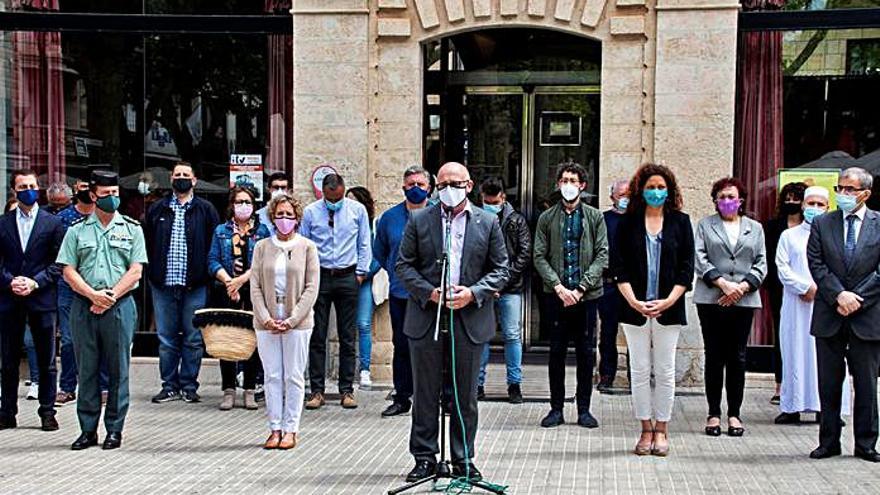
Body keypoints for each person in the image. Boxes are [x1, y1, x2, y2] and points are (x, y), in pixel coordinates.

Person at [396, 162, 509, 483]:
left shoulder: (487, 222)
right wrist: (430, 293)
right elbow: (404, 265)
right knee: (425, 392)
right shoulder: (420, 220)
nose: (449, 189)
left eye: (455, 183)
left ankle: (463, 458)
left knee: (465, 395)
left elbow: (501, 269)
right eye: (442, 183)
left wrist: (473, 293)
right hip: (427, 317)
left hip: (469, 317)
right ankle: (424, 457)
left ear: (469, 185)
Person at [56, 170, 148, 450]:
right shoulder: (77, 230)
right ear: (93, 195)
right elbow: (68, 270)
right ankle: (87, 430)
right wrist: (92, 295)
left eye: (115, 194)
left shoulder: (132, 229)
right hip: (84, 306)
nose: (112, 199)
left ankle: (114, 430)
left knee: (119, 370)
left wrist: (109, 297)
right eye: (106, 194)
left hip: (120, 307)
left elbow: (136, 271)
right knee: (87, 370)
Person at [611, 164, 694, 456]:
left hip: (668, 308)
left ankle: (662, 428)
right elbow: (618, 267)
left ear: (669, 190)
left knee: (665, 369)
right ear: (640, 190)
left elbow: (687, 269)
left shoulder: (681, 222)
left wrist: (669, 300)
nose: (656, 192)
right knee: (640, 368)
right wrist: (633, 300)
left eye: (661, 187)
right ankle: (645, 428)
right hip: (634, 307)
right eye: (650, 187)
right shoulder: (628, 222)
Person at [807, 167, 880, 462]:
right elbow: (816, 263)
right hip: (830, 313)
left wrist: (857, 299)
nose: (843, 194)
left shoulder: (879, 224)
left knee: (866, 383)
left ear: (865, 193)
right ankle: (828, 441)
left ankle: (865, 443)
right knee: (828, 382)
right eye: (840, 188)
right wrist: (838, 294)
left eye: (849, 189)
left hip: (867, 315)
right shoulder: (823, 223)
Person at [534, 162, 608, 429]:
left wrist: (580, 289)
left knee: (586, 353)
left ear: (582, 185)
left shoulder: (594, 217)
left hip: (585, 297)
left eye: (572, 180)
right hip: (556, 296)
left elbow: (602, 255)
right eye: (564, 180)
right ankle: (556, 409)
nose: (568, 184)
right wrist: (558, 287)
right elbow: (539, 256)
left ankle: (584, 409)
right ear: (558, 184)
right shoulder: (546, 218)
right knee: (556, 352)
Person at [694, 177, 767, 438]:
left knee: (737, 356)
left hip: (744, 299)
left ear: (741, 200)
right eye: (722, 197)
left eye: (731, 197)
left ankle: (734, 413)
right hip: (711, 297)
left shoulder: (754, 228)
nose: (727, 201)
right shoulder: (705, 225)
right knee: (714, 355)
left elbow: (761, 263)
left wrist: (741, 288)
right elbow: (699, 257)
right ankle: (713, 412)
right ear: (715, 200)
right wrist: (723, 284)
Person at [145, 161, 220, 403]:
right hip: (163, 284)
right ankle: (169, 385)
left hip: (195, 285)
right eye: (177, 175)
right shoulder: (157, 209)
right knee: (166, 339)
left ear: (194, 180)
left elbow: (213, 246)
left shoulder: (206, 210)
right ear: (171, 179)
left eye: (185, 175)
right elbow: (147, 244)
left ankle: (189, 385)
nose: (181, 178)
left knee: (193, 338)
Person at [775, 186, 851, 425]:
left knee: (826, 356)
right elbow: (782, 267)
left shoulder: (836, 236)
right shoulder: (789, 236)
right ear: (803, 205)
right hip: (796, 304)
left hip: (828, 303)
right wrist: (804, 287)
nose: (815, 209)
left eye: (820, 204)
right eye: (811, 204)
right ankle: (792, 405)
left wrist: (823, 290)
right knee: (794, 351)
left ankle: (826, 409)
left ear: (829, 207)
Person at [249, 192, 319, 450]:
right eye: (280, 215)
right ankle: (274, 428)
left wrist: (292, 319)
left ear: (297, 218)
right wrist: (265, 318)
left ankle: (291, 429)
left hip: (297, 322)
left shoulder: (307, 247)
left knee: (294, 376)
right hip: (266, 321)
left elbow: (311, 287)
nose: (284, 219)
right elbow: (255, 285)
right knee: (272, 375)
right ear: (272, 218)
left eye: (289, 215)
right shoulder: (262, 247)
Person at [0, 169, 65, 431]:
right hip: (9, 298)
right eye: (22, 186)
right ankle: (7, 412)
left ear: (38, 188)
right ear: (14, 191)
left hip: (41, 298)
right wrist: (9, 281)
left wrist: (35, 282)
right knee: (8, 358)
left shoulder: (53, 223)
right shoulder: (3, 223)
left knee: (47, 359)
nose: (28, 189)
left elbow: (59, 262)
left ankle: (47, 411)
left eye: (32, 185)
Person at [299, 173, 371, 410]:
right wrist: (307, 276)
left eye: (339, 197)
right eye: (331, 199)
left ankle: (347, 389)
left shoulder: (357, 210)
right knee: (317, 335)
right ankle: (317, 391)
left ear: (343, 190)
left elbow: (364, 242)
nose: (335, 202)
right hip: (320, 276)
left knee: (347, 336)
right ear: (323, 193)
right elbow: (305, 245)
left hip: (348, 276)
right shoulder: (310, 212)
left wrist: (361, 272)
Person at [373, 165, 431, 417]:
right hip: (401, 293)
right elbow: (381, 251)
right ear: (403, 187)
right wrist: (397, 272)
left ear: (430, 187)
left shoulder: (439, 215)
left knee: (433, 347)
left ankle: (437, 397)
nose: (415, 188)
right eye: (411, 184)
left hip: (431, 294)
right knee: (402, 346)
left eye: (420, 184)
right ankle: (402, 397)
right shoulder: (390, 218)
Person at [208, 186, 271, 411]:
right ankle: (228, 389)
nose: (243, 206)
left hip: (252, 291)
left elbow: (264, 263)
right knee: (228, 340)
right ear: (232, 205)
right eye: (239, 202)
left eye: (248, 202)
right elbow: (213, 260)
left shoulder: (262, 232)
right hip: (227, 291)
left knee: (252, 341)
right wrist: (228, 281)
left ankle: (250, 390)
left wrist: (241, 280)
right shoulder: (220, 231)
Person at [55, 178, 109, 406]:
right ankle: (67, 386)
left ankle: (104, 386)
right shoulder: (62, 220)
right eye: (82, 187)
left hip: (102, 288)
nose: (87, 192)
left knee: (104, 340)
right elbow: (59, 258)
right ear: (76, 189)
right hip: (70, 289)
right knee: (69, 340)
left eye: (91, 188)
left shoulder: (107, 218)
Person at [476, 177, 530, 404]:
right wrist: (488, 285)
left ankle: (514, 384)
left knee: (512, 335)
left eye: (494, 201)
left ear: (503, 198)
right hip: (483, 289)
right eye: (487, 201)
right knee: (481, 337)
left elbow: (523, 254)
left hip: (509, 289)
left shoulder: (516, 221)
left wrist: (501, 283)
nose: (491, 204)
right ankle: (477, 384)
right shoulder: (475, 219)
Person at [764, 181, 806, 405]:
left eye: (796, 198)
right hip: (779, 287)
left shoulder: (813, 226)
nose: (792, 202)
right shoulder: (772, 227)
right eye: (788, 198)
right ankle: (780, 385)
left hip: (808, 290)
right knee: (781, 335)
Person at [345, 186, 381, 390]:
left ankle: (365, 370)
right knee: (345, 327)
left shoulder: (372, 226)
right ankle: (347, 372)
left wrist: (362, 275)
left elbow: (378, 257)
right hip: (343, 280)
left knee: (364, 324)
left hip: (363, 281)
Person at [597, 179, 629, 392]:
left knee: (637, 333)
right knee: (607, 333)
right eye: (621, 196)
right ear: (612, 198)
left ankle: (637, 377)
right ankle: (606, 374)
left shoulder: (639, 219)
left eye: (629, 195)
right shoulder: (603, 220)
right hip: (608, 284)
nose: (625, 200)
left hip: (633, 287)